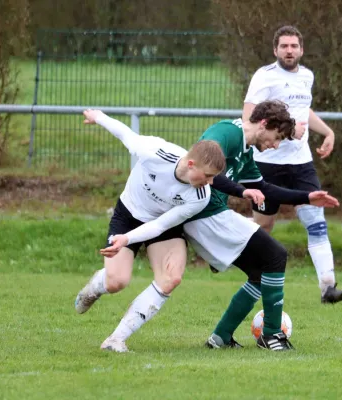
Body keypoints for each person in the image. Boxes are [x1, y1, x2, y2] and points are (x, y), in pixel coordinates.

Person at [73, 109, 261, 353]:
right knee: (117, 281)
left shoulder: (201, 196)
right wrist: (98, 117)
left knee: (171, 277)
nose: (211, 183)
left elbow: (160, 226)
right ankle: (97, 285)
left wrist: (128, 240)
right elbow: (125, 134)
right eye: (207, 176)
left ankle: (115, 340)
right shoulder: (153, 152)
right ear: (191, 164)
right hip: (128, 214)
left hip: (160, 223)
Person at [183, 100, 340, 351]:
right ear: (264, 124)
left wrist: (307, 197)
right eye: (276, 138)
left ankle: (220, 337)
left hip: (212, 215)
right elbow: (202, 168)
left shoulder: (246, 152)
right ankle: (272, 336)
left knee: (261, 274)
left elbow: (264, 189)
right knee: (276, 256)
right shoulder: (226, 133)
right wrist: (242, 192)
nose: (275, 145)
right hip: (204, 215)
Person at [242, 25, 342, 304]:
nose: (289, 51)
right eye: (284, 46)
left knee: (316, 221)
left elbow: (304, 110)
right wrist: (287, 132)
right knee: (263, 226)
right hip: (267, 163)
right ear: (275, 50)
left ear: (301, 49)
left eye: (294, 46)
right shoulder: (264, 77)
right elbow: (248, 119)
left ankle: (328, 287)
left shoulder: (306, 76)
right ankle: (234, 252)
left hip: (301, 164)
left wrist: (327, 131)